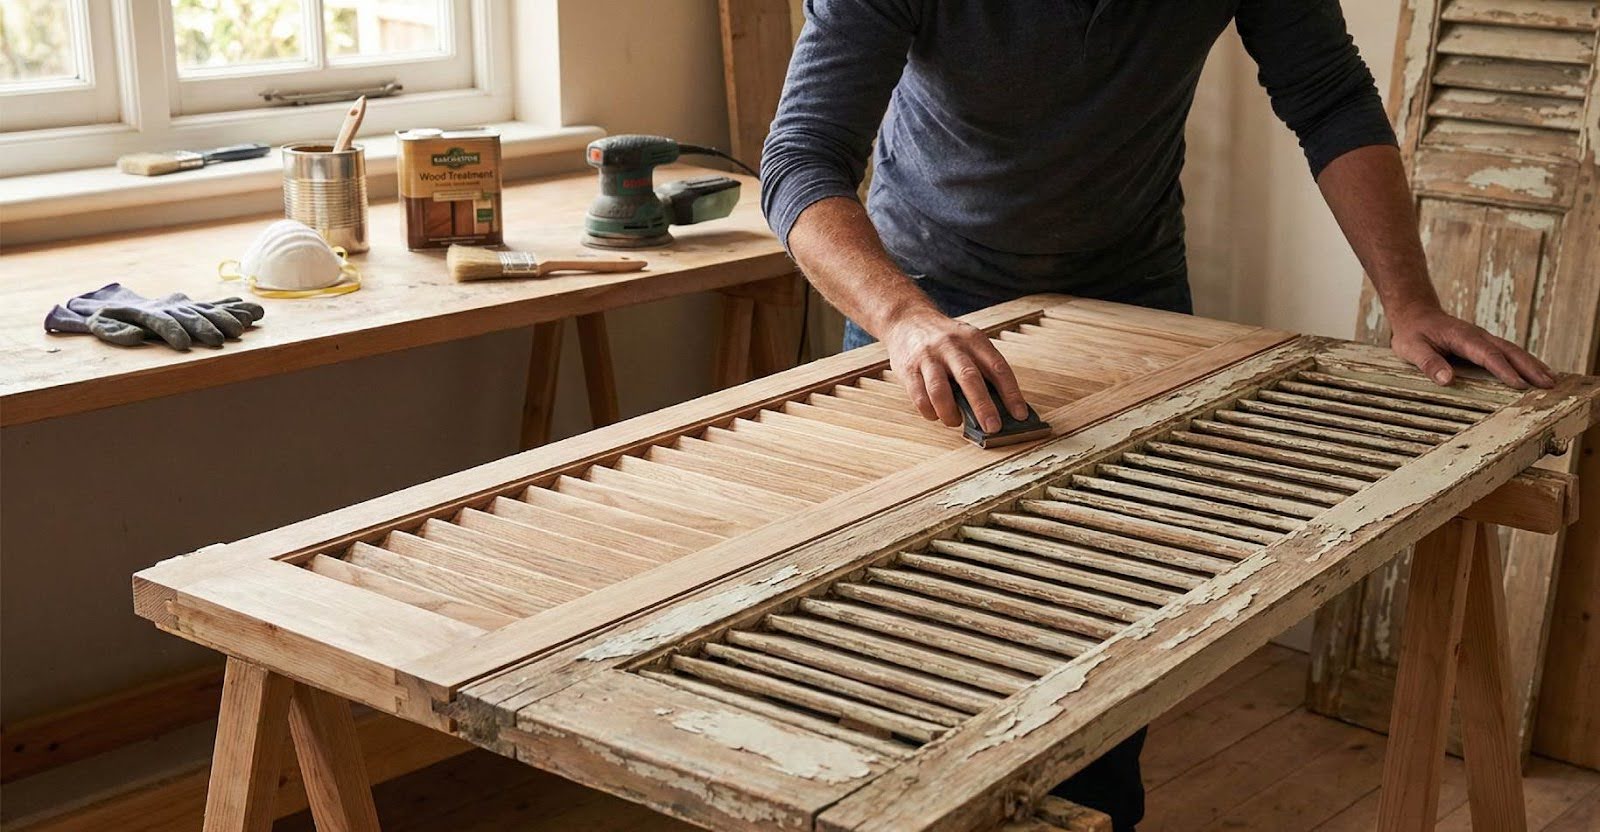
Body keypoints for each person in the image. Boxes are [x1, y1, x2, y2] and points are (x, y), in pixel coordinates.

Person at [759, 2, 1555, 829]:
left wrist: (1410, 301)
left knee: (1109, 629)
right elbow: (801, 157)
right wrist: (900, 315)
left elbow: (1328, 97)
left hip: (1129, 297)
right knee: (904, 634)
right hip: (926, 303)